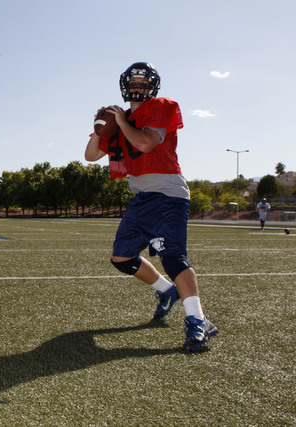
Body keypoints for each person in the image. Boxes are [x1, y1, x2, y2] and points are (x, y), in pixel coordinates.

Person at [84, 62, 218, 353]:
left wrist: (120, 122)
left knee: (173, 258)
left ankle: (198, 321)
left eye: (144, 83)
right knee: (121, 258)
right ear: (124, 87)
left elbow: (144, 143)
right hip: (142, 197)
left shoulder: (161, 106)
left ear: (153, 87)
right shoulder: (121, 117)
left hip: (168, 194)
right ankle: (166, 290)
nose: (138, 87)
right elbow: (91, 155)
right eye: (134, 83)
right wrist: (98, 129)